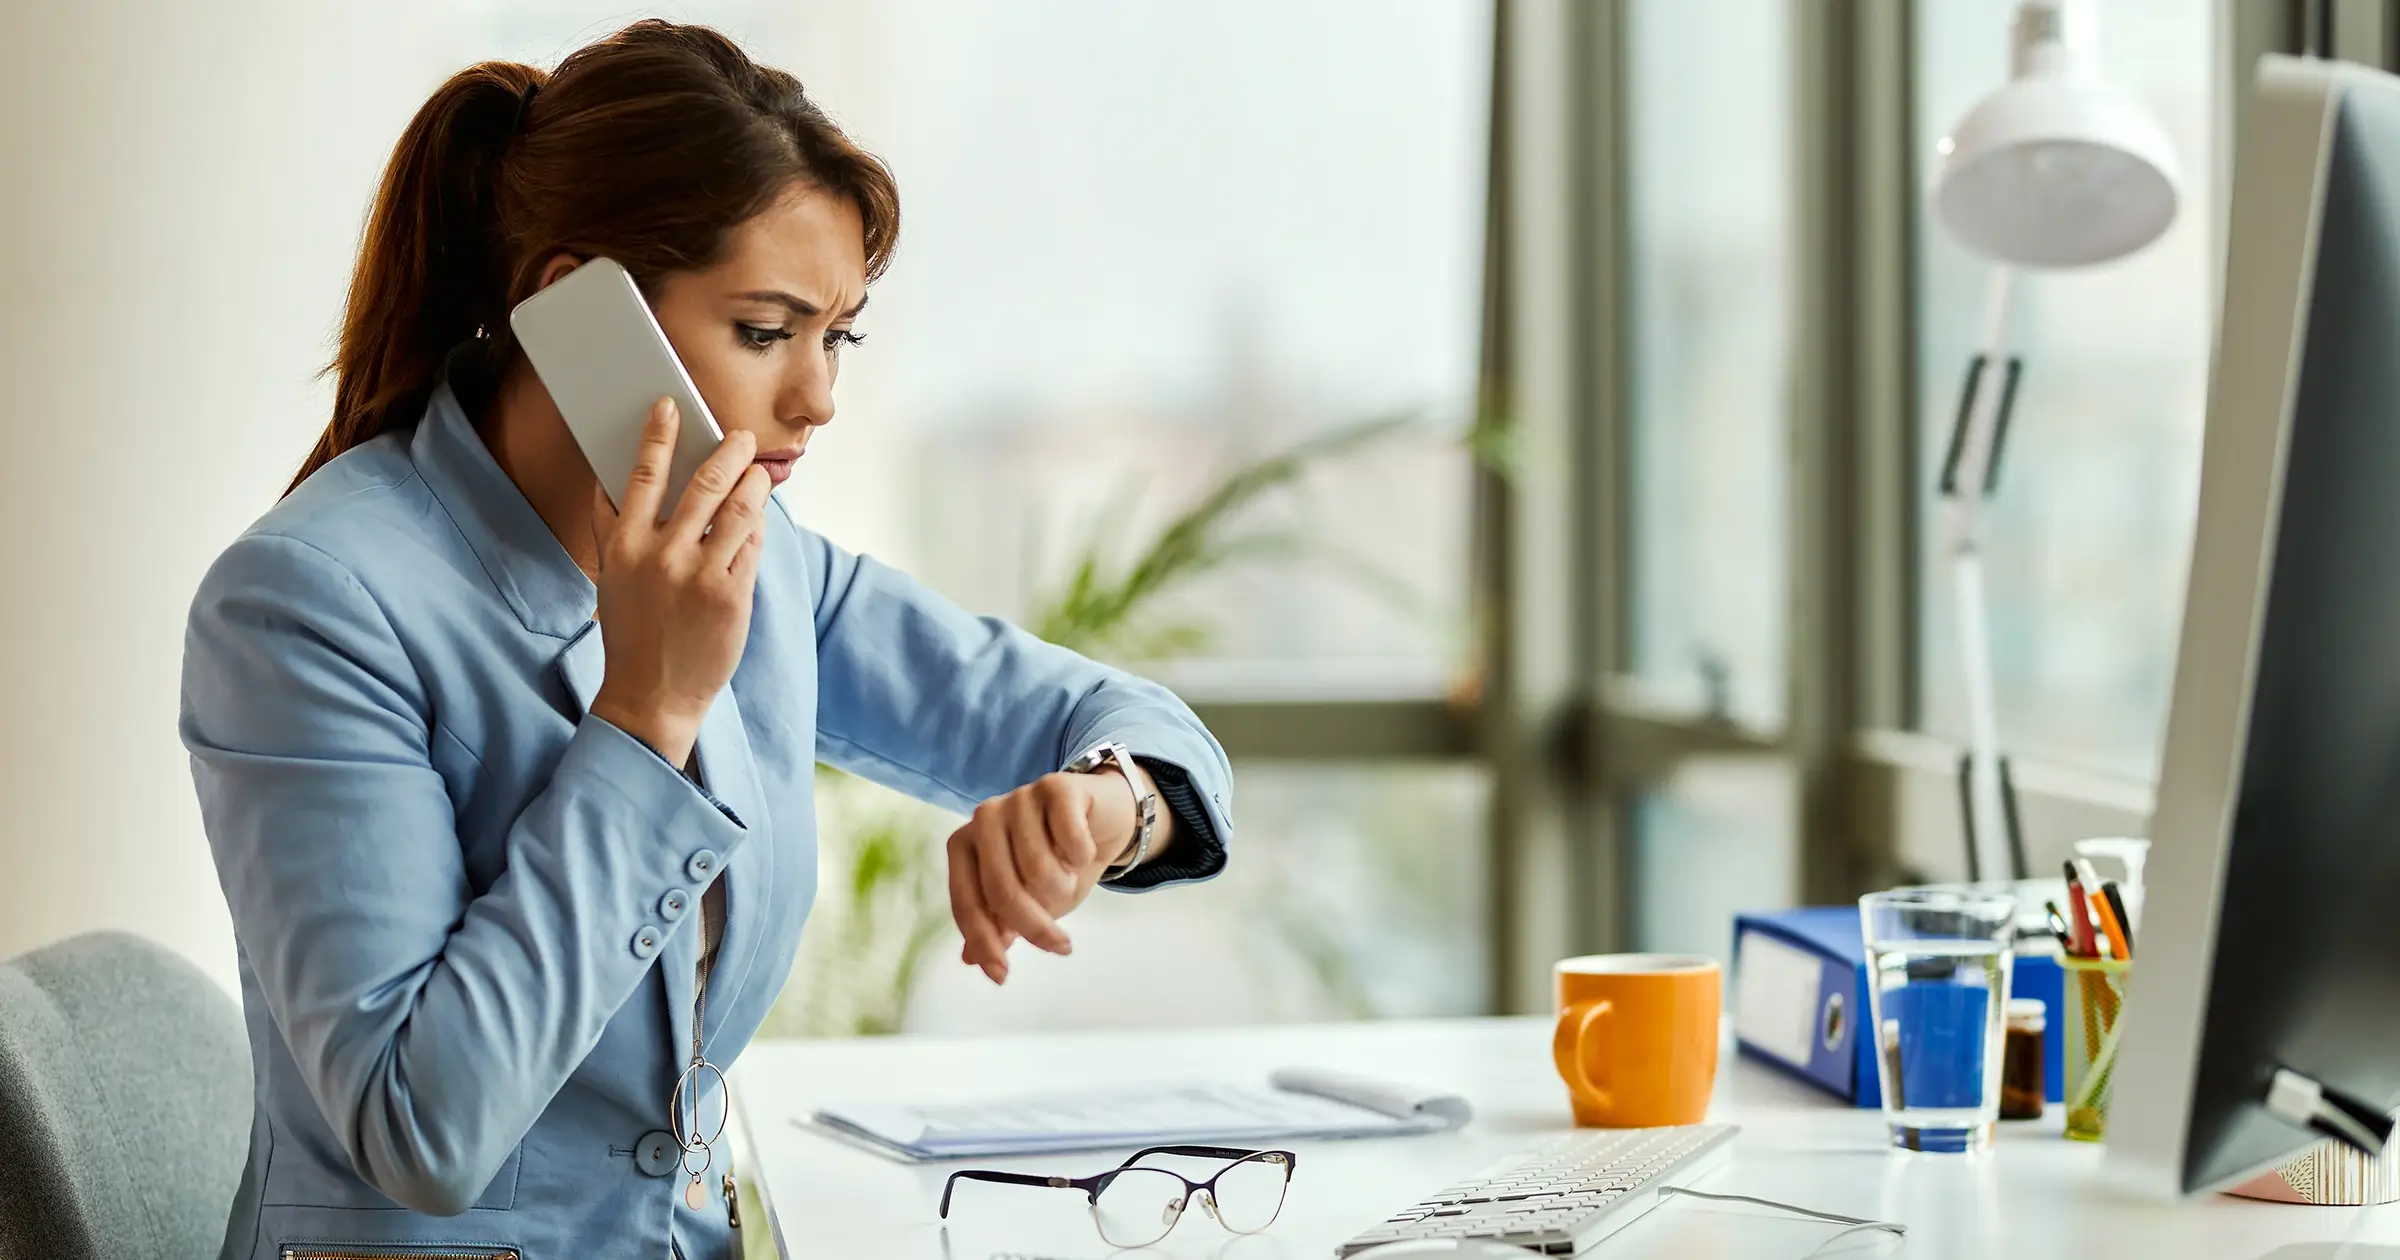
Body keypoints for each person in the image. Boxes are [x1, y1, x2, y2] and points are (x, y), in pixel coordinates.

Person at [179, 20, 1232, 1260]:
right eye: (765, 331)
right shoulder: (312, 604)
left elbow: (1120, 720)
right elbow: (422, 1129)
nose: (818, 399)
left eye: (835, 336)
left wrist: (1108, 807)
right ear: (569, 307)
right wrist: (646, 717)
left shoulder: (764, 559)